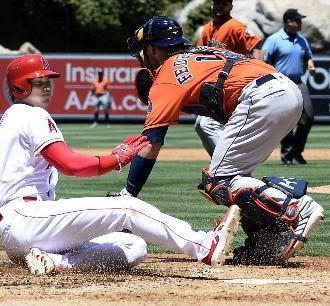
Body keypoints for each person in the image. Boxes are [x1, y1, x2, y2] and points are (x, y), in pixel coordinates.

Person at [0, 54, 241, 274]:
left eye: (49, 81)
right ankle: (205, 246)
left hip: (24, 236)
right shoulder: (31, 115)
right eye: (39, 82)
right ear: (19, 87)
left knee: (132, 245)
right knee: (127, 207)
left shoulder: (6, 123)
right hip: (27, 219)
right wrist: (116, 160)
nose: (48, 86)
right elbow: (71, 164)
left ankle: (55, 263)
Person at [120, 16, 324, 264]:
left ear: (152, 49)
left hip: (262, 96)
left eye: (142, 51)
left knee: (218, 181)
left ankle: (295, 208)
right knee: (238, 179)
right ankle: (266, 239)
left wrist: (128, 194)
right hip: (284, 90)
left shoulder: (167, 74)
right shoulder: (202, 51)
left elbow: (152, 143)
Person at [195, 0, 263, 157]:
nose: (220, 6)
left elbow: (256, 47)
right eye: (217, 3)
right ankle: (225, 170)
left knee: (205, 124)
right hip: (213, 85)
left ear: (231, 6)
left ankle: (227, 167)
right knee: (209, 126)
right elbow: (200, 55)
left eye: (224, 3)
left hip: (232, 84)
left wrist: (259, 72)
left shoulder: (236, 26)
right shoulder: (208, 29)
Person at [262, 8, 316, 165]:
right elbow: (263, 59)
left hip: (298, 81)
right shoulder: (274, 39)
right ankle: (287, 154)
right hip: (281, 82)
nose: (300, 23)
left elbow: (308, 57)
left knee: (309, 117)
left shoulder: (302, 39)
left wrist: (310, 65)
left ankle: (295, 151)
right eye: (297, 20)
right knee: (285, 119)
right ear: (288, 22)